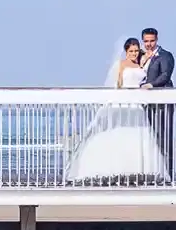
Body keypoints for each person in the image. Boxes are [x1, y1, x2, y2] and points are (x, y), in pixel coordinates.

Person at [64, 38, 170, 182]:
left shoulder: (141, 64)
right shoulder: (120, 65)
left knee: (137, 137)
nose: (133, 53)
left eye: (136, 51)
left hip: (137, 104)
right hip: (123, 101)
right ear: (126, 52)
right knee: (118, 134)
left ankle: (136, 170)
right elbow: (118, 83)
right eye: (131, 51)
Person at [139, 27, 176, 174]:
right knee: (151, 135)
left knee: (164, 135)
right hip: (146, 102)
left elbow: (165, 75)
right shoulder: (140, 55)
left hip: (162, 101)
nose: (149, 44)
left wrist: (151, 85)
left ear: (157, 39)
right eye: (146, 41)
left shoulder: (165, 55)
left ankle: (168, 170)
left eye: (152, 41)